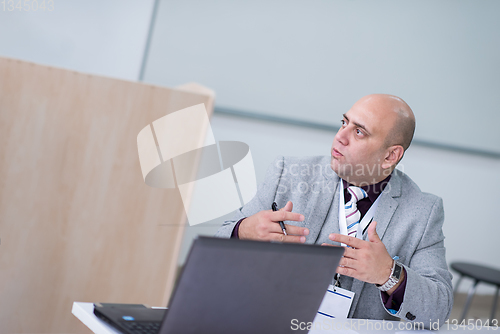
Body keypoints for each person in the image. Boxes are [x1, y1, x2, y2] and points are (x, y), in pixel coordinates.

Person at [215, 94, 453, 328]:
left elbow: (439, 308)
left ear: (390, 156)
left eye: (359, 131)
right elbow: (215, 246)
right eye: (344, 123)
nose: (340, 137)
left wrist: (388, 274)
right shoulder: (287, 174)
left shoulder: (423, 212)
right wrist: (242, 230)